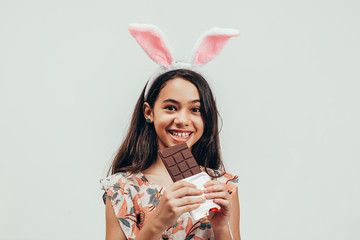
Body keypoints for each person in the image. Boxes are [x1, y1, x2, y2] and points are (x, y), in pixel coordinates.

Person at [101, 24, 240, 240]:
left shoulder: (222, 187)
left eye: (196, 109)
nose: (183, 120)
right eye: (171, 107)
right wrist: (156, 224)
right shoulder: (122, 188)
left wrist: (222, 228)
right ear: (149, 112)